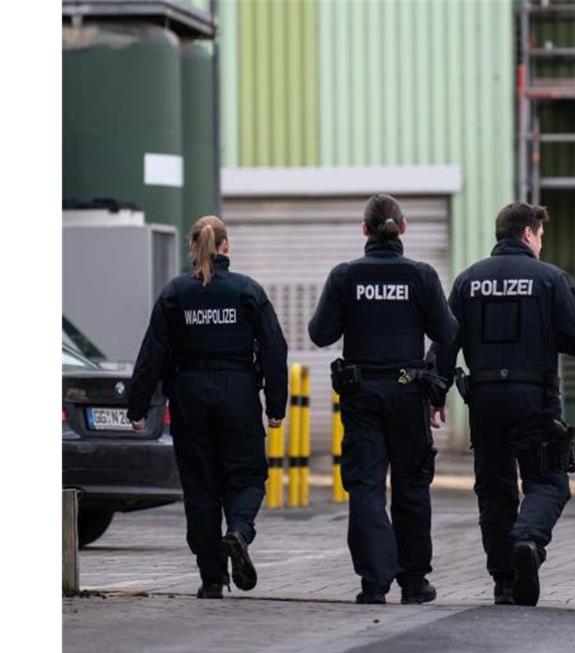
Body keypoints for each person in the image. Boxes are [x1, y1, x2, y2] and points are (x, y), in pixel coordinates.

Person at [430, 202, 575, 606]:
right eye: (541, 236)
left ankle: (504, 581)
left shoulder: (469, 280)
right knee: (547, 481)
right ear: (528, 234)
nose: (541, 243)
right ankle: (528, 541)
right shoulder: (550, 278)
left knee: (494, 488)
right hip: (534, 398)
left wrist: (436, 394)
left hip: (483, 399)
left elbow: (446, 341)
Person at [127, 215, 288, 600]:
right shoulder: (248, 291)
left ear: (192, 246)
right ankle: (238, 532)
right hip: (238, 394)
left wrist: (137, 407)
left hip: (189, 395)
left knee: (200, 488)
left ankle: (211, 579)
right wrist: (276, 406)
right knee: (247, 478)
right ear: (226, 246)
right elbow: (273, 349)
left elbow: (153, 353)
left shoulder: (174, 294)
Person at [309, 194, 458, 605]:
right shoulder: (421, 276)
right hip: (409, 393)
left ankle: (374, 584)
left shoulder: (345, 277)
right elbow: (447, 332)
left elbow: (320, 334)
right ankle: (413, 583)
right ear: (403, 228)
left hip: (362, 399)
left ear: (364, 230)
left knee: (366, 486)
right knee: (412, 487)